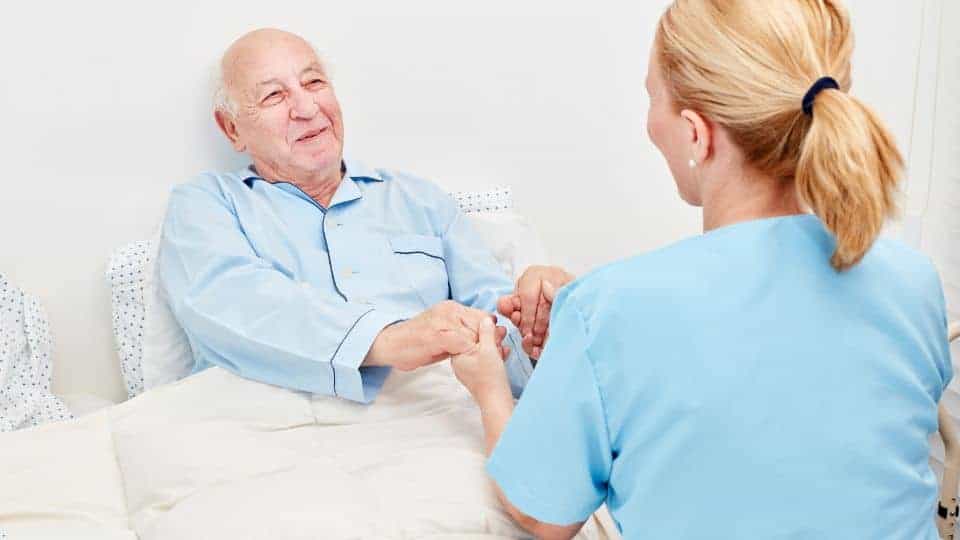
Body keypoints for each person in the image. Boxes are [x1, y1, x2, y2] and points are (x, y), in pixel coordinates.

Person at [454, 1, 954, 538]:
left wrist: (489, 386)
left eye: (653, 98)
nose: (649, 122)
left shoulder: (613, 312)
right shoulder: (912, 281)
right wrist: (592, 343)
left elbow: (543, 515)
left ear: (697, 133)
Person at [158, 28, 544, 403]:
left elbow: (497, 325)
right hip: (264, 421)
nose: (307, 109)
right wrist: (386, 339)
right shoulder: (205, 205)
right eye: (274, 96)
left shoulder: (421, 200)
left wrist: (538, 328)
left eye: (314, 83)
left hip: (428, 416)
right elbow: (234, 302)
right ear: (232, 129)